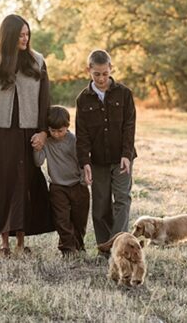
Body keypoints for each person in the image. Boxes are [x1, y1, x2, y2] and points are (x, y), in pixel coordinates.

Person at [0, 14, 54, 255]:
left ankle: (22, 241)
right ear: (8, 36)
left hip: (29, 132)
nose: (25, 38)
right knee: (2, 184)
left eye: (27, 34)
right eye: (20, 34)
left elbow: (45, 101)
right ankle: (4, 242)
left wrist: (43, 132)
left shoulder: (37, 61)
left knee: (25, 185)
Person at [75, 49, 137, 247]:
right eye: (97, 74)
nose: (101, 78)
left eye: (105, 73)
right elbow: (82, 134)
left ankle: (118, 246)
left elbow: (129, 126)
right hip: (98, 161)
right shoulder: (83, 99)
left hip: (122, 158)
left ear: (111, 69)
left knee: (122, 200)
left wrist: (126, 155)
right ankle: (104, 249)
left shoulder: (124, 94)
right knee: (101, 206)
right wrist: (84, 162)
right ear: (89, 71)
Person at [34, 105, 90, 255]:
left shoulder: (73, 141)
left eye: (60, 131)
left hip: (77, 185)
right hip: (57, 187)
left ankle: (78, 247)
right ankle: (67, 249)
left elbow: (81, 162)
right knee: (61, 220)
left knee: (79, 221)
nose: (57, 134)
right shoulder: (47, 141)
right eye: (53, 131)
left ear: (67, 127)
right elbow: (38, 162)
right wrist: (37, 148)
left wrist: (83, 180)